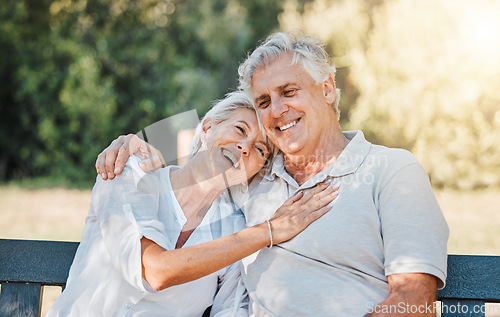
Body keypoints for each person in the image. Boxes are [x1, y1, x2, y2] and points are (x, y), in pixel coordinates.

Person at [96, 33, 449, 317]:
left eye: (288, 92)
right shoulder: (253, 174)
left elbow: (414, 301)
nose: (277, 110)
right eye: (263, 102)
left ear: (327, 89)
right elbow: (205, 141)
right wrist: (131, 142)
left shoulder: (393, 170)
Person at [48, 91, 339, 317]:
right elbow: (155, 272)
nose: (245, 147)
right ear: (207, 127)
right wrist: (270, 231)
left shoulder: (236, 229)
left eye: (260, 149)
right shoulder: (128, 173)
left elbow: (231, 310)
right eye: (239, 129)